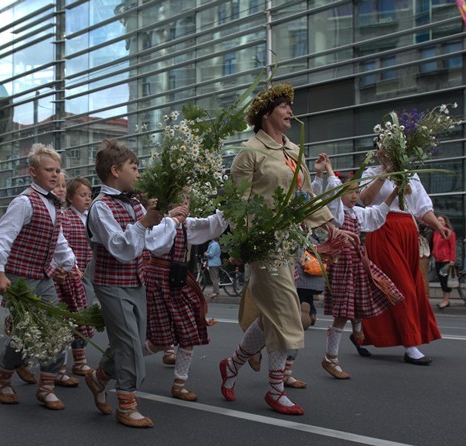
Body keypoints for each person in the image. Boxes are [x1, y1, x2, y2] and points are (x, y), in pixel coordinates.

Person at [218, 83, 354, 416]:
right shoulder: (250, 151)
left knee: (271, 315)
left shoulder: (294, 150)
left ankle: (232, 365)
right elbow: (237, 204)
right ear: (266, 114)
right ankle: (276, 389)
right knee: (287, 313)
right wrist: (244, 243)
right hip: (264, 244)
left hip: (291, 242)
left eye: (290, 107)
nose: (290, 112)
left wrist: (331, 225)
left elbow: (305, 196)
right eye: (283, 107)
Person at [84, 138, 167, 428]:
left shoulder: (133, 202)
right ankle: (127, 404)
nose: (139, 174)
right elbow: (120, 247)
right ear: (116, 170)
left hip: (136, 280)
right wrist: (144, 222)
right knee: (130, 344)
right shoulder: (100, 207)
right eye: (135, 167)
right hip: (111, 283)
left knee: (129, 341)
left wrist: (159, 219)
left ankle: (99, 377)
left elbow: (148, 242)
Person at [0, 143, 75, 410]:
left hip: (44, 275)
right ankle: (3, 377)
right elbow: (2, 237)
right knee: (26, 332)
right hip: (20, 278)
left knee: (56, 329)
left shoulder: (54, 203)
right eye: (48, 170)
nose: (54, 175)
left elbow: (57, 238)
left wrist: (69, 263)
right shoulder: (24, 202)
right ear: (33, 172)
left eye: (57, 170)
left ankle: (46, 386)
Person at [356, 144, 451, 365]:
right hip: (383, 230)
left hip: (407, 232)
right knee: (400, 287)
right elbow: (365, 200)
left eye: (390, 148)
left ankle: (362, 331)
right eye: (381, 148)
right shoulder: (372, 173)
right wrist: (384, 173)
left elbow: (421, 208)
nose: (385, 152)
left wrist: (438, 226)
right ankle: (410, 345)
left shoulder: (411, 175)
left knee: (406, 286)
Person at [315, 157, 403, 379]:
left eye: (357, 192)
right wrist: (328, 170)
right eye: (351, 192)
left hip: (357, 263)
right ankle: (331, 358)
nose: (355, 196)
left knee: (367, 295)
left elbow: (377, 213)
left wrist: (395, 192)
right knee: (342, 313)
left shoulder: (356, 213)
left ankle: (356, 325)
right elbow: (334, 192)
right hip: (343, 265)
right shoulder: (338, 213)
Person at [143, 194, 227, 401]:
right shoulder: (158, 223)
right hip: (158, 280)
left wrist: (230, 205)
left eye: (188, 200)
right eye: (181, 200)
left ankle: (179, 384)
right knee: (159, 341)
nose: (186, 205)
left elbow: (211, 225)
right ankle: (121, 357)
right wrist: (171, 219)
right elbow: (156, 244)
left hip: (178, 280)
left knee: (189, 330)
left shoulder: (186, 224)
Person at [56, 176, 95, 377]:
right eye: (82, 195)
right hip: (71, 274)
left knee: (83, 316)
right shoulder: (65, 217)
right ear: (70, 198)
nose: (87, 199)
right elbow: (60, 245)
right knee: (68, 318)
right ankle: (60, 366)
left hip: (88, 274)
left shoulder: (91, 217)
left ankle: (80, 360)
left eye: (89, 195)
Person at [433, 215, 456, 309]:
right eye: (438, 220)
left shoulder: (449, 232)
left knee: (445, 280)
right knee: (441, 280)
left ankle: (446, 300)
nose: (439, 222)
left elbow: (453, 247)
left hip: (446, 260)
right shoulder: (436, 232)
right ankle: (444, 299)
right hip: (437, 260)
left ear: (445, 222)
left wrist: (452, 260)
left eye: (441, 220)